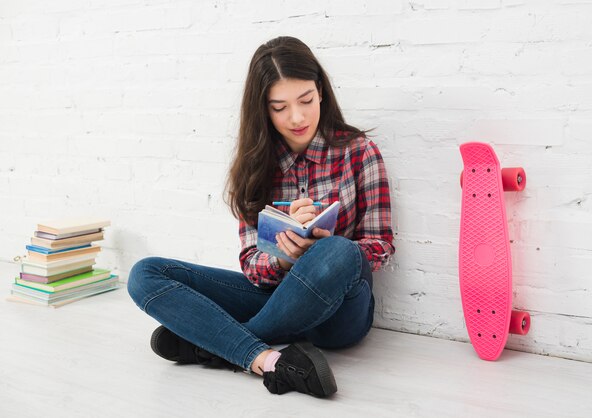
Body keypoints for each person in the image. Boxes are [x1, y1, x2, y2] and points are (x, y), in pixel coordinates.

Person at [127, 36, 394, 398]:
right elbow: (252, 266)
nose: (297, 117)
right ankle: (268, 361)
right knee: (145, 273)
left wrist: (321, 249)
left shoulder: (359, 152)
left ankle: (217, 344)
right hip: (278, 298)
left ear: (322, 94)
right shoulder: (255, 168)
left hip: (340, 315)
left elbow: (380, 247)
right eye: (279, 107)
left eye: (306, 100)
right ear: (263, 109)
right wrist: (287, 259)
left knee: (341, 254)